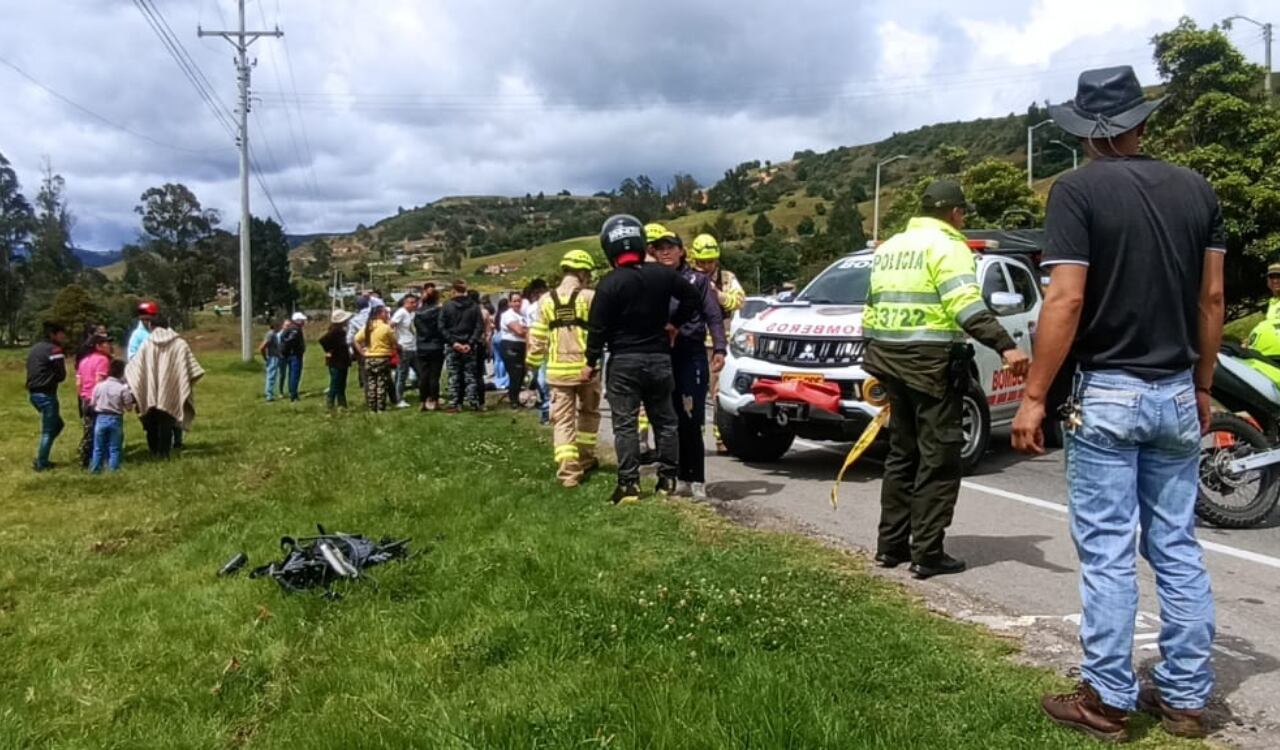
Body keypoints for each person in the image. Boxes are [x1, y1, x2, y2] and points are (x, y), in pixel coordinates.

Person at [1010, 66, 1224, 741]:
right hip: (1175, 391)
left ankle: (1107, 699)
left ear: (1084, 133)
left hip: (1107, 391)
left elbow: (1067, 299)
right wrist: (1203, 383)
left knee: (1106, 552)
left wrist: (1034, 396)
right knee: (1176, 544)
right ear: (1141, 123)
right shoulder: (1197, 189)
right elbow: (1211, 299)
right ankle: (1187, 697)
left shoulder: (1075, 191)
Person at [862, 179, 1030, 579]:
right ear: (955, 213)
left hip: (888, 359)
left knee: (902, 454)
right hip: (929, 365)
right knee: (939, 457)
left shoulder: (892, 247)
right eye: (963, 212)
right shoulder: (948, 245)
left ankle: (891, 547)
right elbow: (965, 305)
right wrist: (1006, 346)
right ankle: (927, 553)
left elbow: (871, 305)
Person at [586, 215, 702, 504]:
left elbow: (597, 328)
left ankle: (629, 485)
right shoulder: (663, 275)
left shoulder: (609, 284)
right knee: (665, 420)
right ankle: (668, 479)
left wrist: (591, 361)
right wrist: (674, 323)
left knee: (625, 424)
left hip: (624, 361)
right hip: (660, 358)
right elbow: (693, 299)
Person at [647, 223, 727, 500]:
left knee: (690, 418)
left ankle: (697, 479)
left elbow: (714, 316)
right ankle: (674, 476)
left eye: (671, 248)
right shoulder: (651, 280)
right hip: (660, 354)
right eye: (660, 249)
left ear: (682, 252)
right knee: (666, 418)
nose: (666, 253)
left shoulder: (698, 280)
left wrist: (719, 347)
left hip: (690, 353)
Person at [527, 249, 601, 487]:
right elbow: (600, 332)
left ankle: (568, 474)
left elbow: (537, 337)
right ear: (582, 272)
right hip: (586, 370)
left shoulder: (545, 301)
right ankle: (586, 459)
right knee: (588, 415)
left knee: (563, 422)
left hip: (557, 373)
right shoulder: (590, 297)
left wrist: (533, 364)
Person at [688, 233, 745, 453]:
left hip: (721, 346)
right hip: (696, 343)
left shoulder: (728, 278)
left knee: (719, 393)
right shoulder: (689, 278)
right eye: (701, 262)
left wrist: (717, 295)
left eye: (710, 262)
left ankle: (722, 438)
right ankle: (695, 438)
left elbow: (739, 301)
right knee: (695, 394)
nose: (706, 266)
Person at [125, 316, 205, 459]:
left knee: (151, 423)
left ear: (151, 326)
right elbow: (192, 369)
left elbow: (134, 368)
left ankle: (154, 451)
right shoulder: (180, 344)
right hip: (171, 389)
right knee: (167, 423)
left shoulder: (146, 344)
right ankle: (164, 453)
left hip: (151, 390)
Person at [26, 321, 68, 472]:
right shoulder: (55, 350)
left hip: (33, 393)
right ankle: (41, 462)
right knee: (48, 430)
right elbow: (61, 375)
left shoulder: (34, 348)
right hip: (47, 394)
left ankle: (42, 455)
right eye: (61, 333)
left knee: (57, 425)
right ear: (53, 334)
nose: (64, 336)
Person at [440, 280, 485, 412]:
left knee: (454, 375)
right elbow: (479, 326)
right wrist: (470, 342)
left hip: (452, 345)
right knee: (470, 374)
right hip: (469, 345)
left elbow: (441, 326)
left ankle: (455, 402)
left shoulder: (447, 306)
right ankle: (472, 401)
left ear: (453, 291)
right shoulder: (474, 306)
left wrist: (453, 342)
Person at [88, 358, 134, 473]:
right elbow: (129, 408)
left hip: (100, 418)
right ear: (122, 373)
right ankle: (113, 469)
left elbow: (92, 403)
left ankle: (95, 469)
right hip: (115, 418)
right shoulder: (122, 389)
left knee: (98, 447)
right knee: (114, 447)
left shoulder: (99, 386)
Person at [75, 334, 113, 467]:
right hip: (97, 399)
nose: (109, 346)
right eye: (106, 343)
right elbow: (99, 381)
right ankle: (101, 459)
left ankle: (85, 458)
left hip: (85, 398)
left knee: (88, 429)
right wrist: (98, 400)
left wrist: (82, 398)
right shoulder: (103, 360)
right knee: (101, 431)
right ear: (98, 346)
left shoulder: (83, 360)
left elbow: (78, 382)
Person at [353, 304, 397, 412]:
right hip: (382, 357)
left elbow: (356, 339)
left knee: (371, 383)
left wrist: (362, 352)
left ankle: (372, 408)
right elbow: (394, 342)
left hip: (369, 358)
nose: (387, 315)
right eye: (385, 313)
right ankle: (380, 408)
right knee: (381, 383)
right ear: (379, 314)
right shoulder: (386, 328)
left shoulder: (368, 326)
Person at [414, 287, 446, 411]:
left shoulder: (418, 312)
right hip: (436, 345)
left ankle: (422, 401)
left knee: (423, 375)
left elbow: (418, 328)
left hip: (422, 345)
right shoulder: (439, 311)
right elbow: (442, 327)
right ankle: (435, 400)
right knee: (434, 376)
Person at [525, 279, 552, 424]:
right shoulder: (531, 309)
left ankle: (547, 411)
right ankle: (546, 409)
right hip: (542, 349)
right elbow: (530, 332)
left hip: (549, 348)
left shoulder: (552, 303)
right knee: (540, 380)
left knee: (544, 381)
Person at [499, 292, 529, 409]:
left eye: (519, 301)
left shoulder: (522, 316)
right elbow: (519, 331)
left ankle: (516, 397)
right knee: (515, 373)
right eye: (514, 301)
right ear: (510, 302)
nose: (517, 303)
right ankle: (513, 400)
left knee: (522, 374)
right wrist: (528, 330)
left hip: (522, 346)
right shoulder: (508, 315)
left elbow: (525, 329)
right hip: (511, 346)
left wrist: (526, 329)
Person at [390, 294, 420, 408]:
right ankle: (398, 398)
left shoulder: (411, 313)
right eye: (411, 302)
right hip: (404, 347)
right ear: (405, 303)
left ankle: (425, 394)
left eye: (415, 302)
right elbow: (391, 326)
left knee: (419, 371)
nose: (414, 304)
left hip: (413, 346)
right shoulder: (401, 313)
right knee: (402, 373)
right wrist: (395, 342)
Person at [319, 310, 353, 408]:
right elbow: (323, 340)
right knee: (335, 383)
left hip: (341, 361)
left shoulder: (340, 331)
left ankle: (341, 403)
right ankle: (331, 401)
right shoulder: (335, 331)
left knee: (341, 383)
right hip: (336, 361)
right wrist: (328, 351)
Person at [278, 312, 308, 402]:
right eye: (302, 320)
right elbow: (291, 340)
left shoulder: (288, 329)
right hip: (295, 355)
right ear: (297, 320)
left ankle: (292, 392)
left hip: (289, 354)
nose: (304, 322)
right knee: (295, 375)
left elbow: (283, 338)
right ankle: (293, 395)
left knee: (292, 374)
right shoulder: (295, 329)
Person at [258, 319, 283, 402]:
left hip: (275, 357)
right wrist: (265, 357)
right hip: (273, 357)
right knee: (271, 376)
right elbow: (262, 347)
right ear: (275, 326)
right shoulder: (271, 335)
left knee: (272, 376)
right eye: (279, 326)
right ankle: (269, 395)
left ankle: (270, 393)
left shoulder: (274, 334)